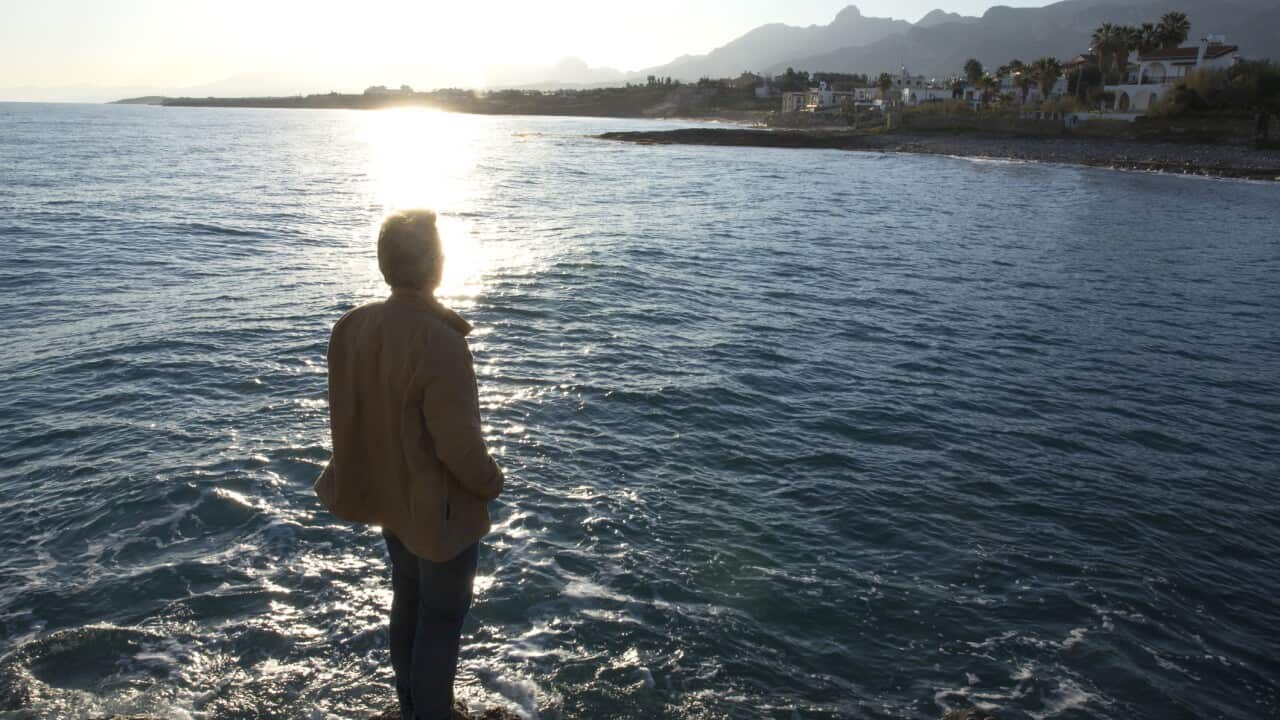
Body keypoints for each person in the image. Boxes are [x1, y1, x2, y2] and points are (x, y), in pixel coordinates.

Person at [315, 209, 505, 720]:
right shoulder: (439, 340)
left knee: (408, 602)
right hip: (438, 513)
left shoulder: (353, 326)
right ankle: (433, 713)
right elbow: (459, 447)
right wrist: (492, 481)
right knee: (442, 617)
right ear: (435, 264)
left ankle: (412, 705)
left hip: (392, 503)